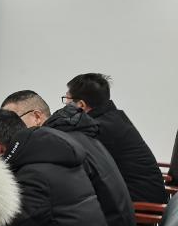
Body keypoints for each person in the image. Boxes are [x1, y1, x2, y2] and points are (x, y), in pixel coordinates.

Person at [2, 90, 136, 226]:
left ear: (37, 117)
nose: (9, 129)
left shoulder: (55, 149)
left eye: (14, 120)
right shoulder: (71, 135)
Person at [65, 73, 164, 204]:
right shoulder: (113, 118)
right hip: (141, 196)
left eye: (67, 99)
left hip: (139, 205)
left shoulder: (98, 128)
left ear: (81, 105)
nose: (65, 104)